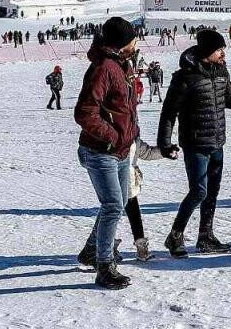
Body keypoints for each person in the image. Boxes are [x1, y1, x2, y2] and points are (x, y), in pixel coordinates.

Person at [157, 30, 231, 258]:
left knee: (212, 192)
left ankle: (205, 237)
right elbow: (169, 112)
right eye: (219, 50)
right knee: (199, 190)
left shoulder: (221, 71)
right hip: (195, 143)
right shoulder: (185, 77)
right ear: (207, 51)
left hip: (217, 141)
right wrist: (164, 143)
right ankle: (175, 235)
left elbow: (230, 100)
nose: (223, 53)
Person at [72, 17, 140, 290]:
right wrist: (114, 137)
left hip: (119, 149)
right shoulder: (104, 68)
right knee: (113, 205)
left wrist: (128, 136)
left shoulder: (120, 65)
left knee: (119, 201)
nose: (136, 44)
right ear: (122, 43)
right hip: (101, 150)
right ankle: (104, 266)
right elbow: (85, 113)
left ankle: (91, 250)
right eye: (133, 39)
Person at [125, 137, 166, 261]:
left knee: (133, 212)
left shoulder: (132, 134)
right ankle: (98, 247)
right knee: (110, 214)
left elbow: (146, 152)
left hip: (129, 179)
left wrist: (165, 151)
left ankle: (141, 246)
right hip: (112, 177)